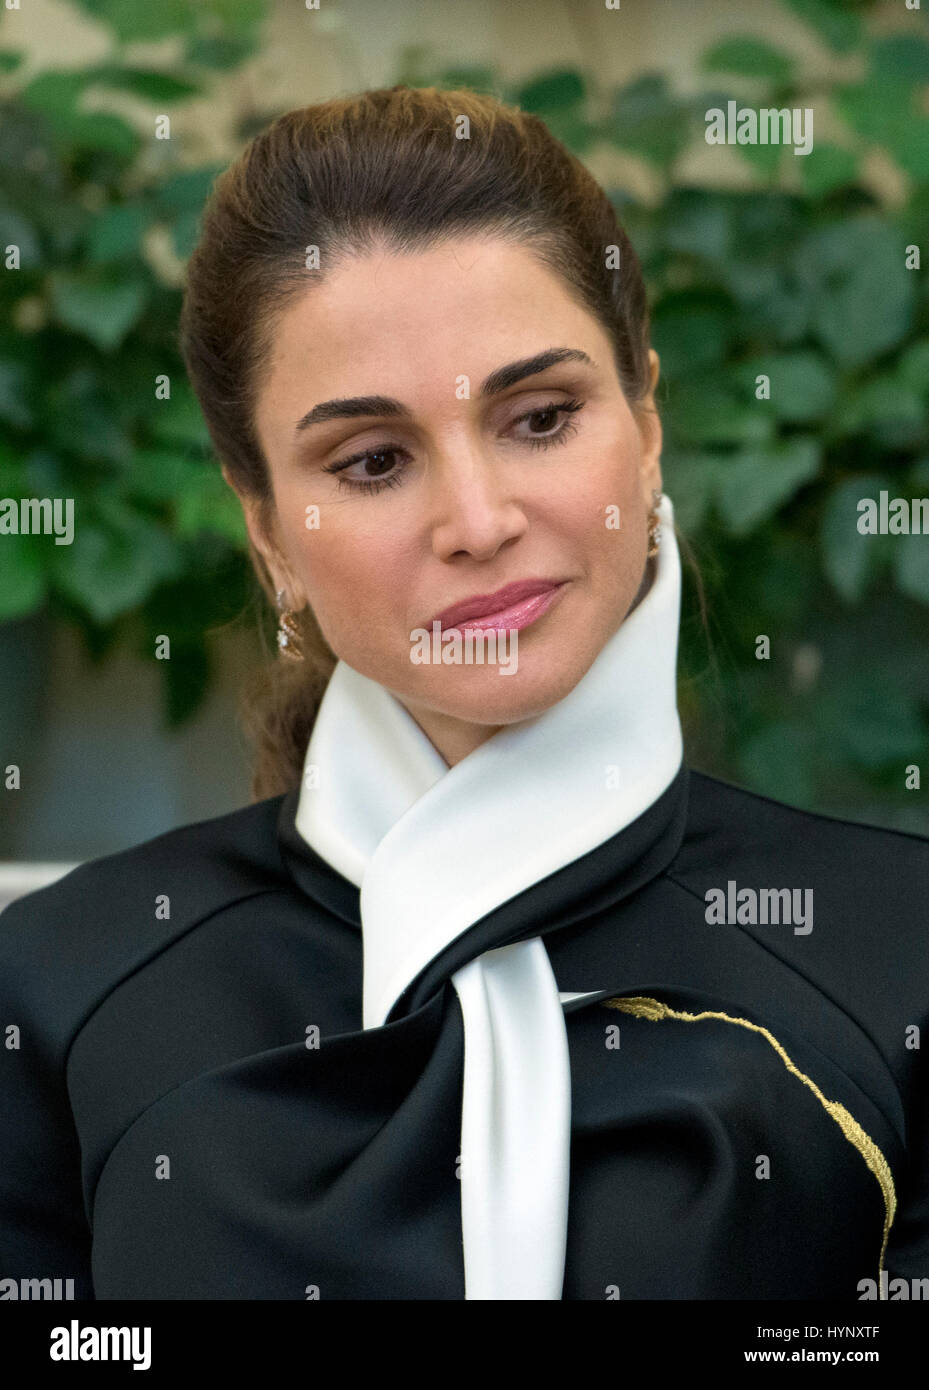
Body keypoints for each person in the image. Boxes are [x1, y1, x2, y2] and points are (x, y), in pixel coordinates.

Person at [1, 86, 927, 1302]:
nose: (480, 522)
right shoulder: (59, 986)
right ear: (267, 525)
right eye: (373, 461)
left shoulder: (899, 949)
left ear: (645, 424)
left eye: (541, 417)